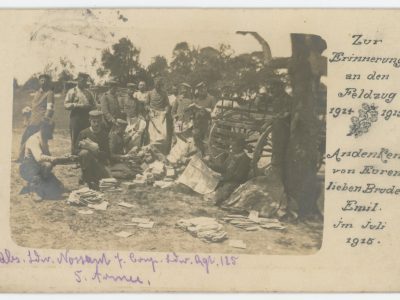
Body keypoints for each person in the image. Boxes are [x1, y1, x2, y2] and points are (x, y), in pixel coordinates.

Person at [19, 120, 67, 201]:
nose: (51, 132)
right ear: (43, 128)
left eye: (52, 129)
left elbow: (48, 156)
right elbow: (39, 158)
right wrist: (52, 159)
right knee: (47, 165)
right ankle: (34, 189)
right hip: (28, 168)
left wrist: (63, 158)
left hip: (39, 167)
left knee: (60, 187)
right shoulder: (34, 139)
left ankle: (41, 181)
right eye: (50, 130)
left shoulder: (44, 138)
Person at [18, 74, 54, 161]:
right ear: (39, 81)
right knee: (27, 138)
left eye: (45, 80)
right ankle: (22, 157)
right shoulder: (37, 92)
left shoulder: (50, 93)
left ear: (48, 82)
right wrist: (28, 110)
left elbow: (50, 109)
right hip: (32, 119)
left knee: (41, 140)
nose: (43, 82)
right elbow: (35, 106)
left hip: (41, 120)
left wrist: (44, 120)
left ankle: (45, 158)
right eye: (41, 80)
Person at [208, 136, 250, 206]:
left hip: (234, 183)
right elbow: (223, 168)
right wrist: (210, 165)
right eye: (231, 145)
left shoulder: (245, 159)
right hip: (226, 180)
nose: (231, 147)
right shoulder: (232, 155)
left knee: (220, 195)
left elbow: (239, 177)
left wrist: (223, 179)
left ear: (240, 147)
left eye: (233, 146)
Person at [75, 110, 111, 190]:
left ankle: (89, 177)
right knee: (85, 153)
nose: (96, 124)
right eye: (94, 121)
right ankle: (85, 177)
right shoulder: (83, 133)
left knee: (108, 178)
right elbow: (76, 150)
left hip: (99, 162)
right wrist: (87, 150)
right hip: (86, 162)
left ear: (101, 121)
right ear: (89, 121)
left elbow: (107, 154)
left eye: (98, 122)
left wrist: (97, 151)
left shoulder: (104, 135)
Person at [64, 72, 96, 154]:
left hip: (87, 117)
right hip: (76, 117)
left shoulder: (89, 93)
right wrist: (77, 105)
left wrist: (91, 108)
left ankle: (85, 157)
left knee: (86, 136)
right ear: (78, 80)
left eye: (85, 81)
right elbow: (66, 105)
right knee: (75, 137)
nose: (83, 83)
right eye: (82, 80)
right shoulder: (72, 91)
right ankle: (75, 157)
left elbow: (94, 105)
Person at [146, 77, 173, 154]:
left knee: (162, 136)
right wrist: (149, 110)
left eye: (159, 84)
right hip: (152, 116)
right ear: (154, 84)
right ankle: (152, 152)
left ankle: (162, 152)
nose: (157, 86)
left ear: (160, 84)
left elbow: (167, 105)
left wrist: (166, 111)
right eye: (156, 84)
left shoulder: (164, 93)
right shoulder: (150, 93)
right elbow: (146, 104)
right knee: (152, 135)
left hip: (161, 116)